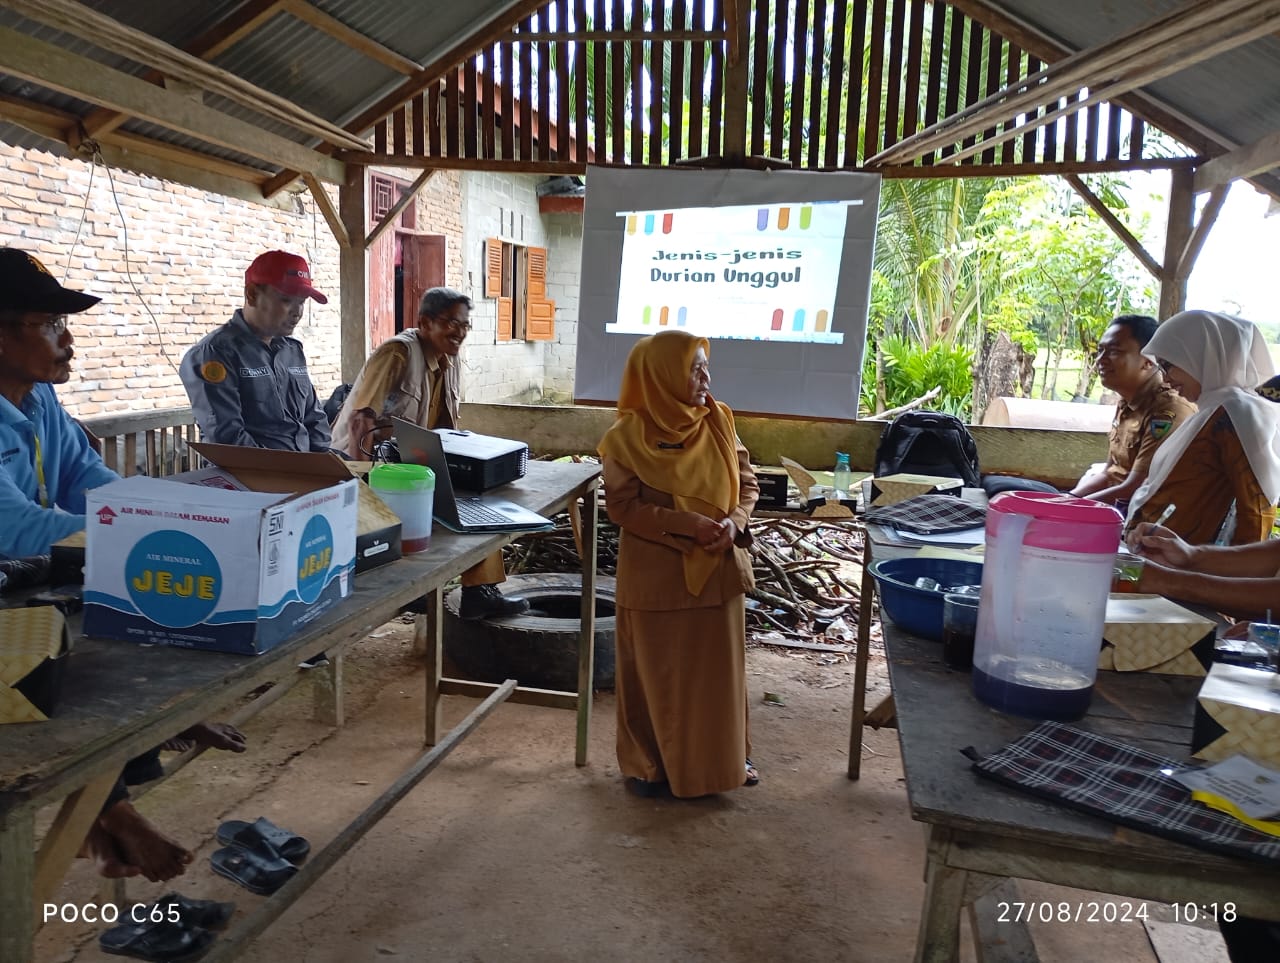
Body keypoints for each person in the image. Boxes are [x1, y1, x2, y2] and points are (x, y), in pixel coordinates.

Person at [0, 248, 244, 881]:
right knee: (76, 659)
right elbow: (12, 526)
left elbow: (90, 481)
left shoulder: (39, 402)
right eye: (50, 324)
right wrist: (134, 530)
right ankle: (111, 816)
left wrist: (159, 515)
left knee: (133, 615)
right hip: (11, 578)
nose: (68, 340)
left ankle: (122, 790)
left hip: (23, 582)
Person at [597, 329, 760, 798]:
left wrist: (734, 522)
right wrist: (686, 524)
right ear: (661, 376)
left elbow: (748, 484)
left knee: (716, 679)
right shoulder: (626, 438)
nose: (705, 379)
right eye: (694, 369)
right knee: (657, 676)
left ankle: (722, 763)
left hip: (717, 570)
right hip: (658, 575)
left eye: (706, 368)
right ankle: (651, 768)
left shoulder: (719, 420)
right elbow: (622, 508)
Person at [330, 287, 528, 620]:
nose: (459, 332)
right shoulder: (398, 354)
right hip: (364, 465)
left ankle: (481, 592)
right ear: (425, 323)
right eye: (451, 323)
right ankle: (409, 589)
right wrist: (365, 489)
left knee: (478, 503)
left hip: (408, 465)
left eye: (464, 325)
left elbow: (445, 429)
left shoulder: (449, 360)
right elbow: (360, 422)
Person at [1125, 310, 1280, 546]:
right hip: (1169, 555)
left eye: (1168, 365)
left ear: (1202, 355)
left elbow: (1256, 509)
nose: (1165, 379)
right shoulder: (1212, 410)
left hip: (1193, 562)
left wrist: (1232, 568)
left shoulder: (1236, 414)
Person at [180, 250, 332, 452]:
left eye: (302, 302)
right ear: (252, 295)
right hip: (248, 469)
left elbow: (314, 419)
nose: (297, 312)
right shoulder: (214, 354)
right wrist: (291, 468)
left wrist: (322, 462)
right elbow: (227, 438)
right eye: (286, 300)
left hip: (306, 466)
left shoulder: (292, 351)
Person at [1069, 314, 1195, 506]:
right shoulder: (1127, 400)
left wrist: (1071, 507)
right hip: (1113, 501)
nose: (1100, 360)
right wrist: (1066, 499)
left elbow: (1134, 488)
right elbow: (1110, 473)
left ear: (1149, 360)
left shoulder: (1169, 409)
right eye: (1100, 351)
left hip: (1137, 510)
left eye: (1114, 352)